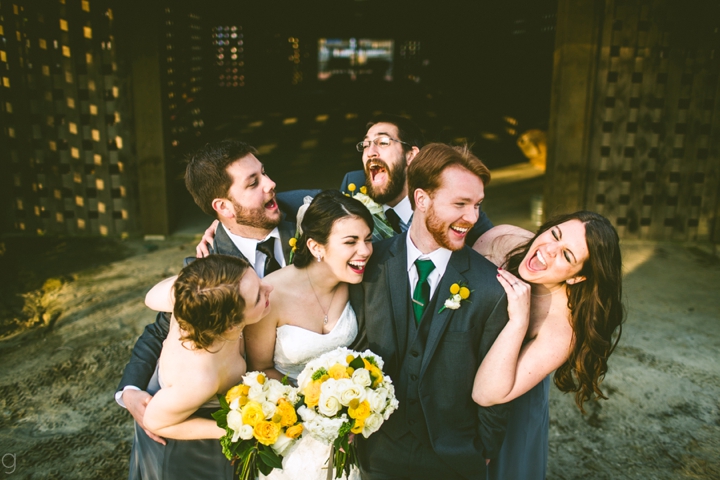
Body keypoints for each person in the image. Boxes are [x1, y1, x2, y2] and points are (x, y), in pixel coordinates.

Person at [116, 139, 294, 445]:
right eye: (253, 183)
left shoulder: (309, 221)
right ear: (223, 206)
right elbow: (160, 330)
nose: (271, 184)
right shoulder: (206, 269)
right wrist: (130, 389)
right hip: (238, 421)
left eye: (264, 173)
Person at [349, 143, 510, 480]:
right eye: (460, 204)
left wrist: (482, 451)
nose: (472, 217)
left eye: (477, 205)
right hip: (376, 454)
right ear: (421, 199)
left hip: (453, 461)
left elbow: (495, 384)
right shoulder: (368, 266)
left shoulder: (491, 288)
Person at [195, 114, 493, 257]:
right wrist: (224, 221)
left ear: (412, 155)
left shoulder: (445, 195)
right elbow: (304, 201)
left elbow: (487, 235)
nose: (370, 150)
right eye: (365, 144)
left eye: (383, 142)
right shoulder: (353, 186)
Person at [472, 211, 624, 480]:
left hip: (509, 391)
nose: (548, 250)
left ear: (577, 277)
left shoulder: (561, 329)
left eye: (567, 256)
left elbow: (486, 394)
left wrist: (519, 321)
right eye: (555, 234)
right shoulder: (502, 239)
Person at [246, 190, 373, 480]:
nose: (365, 250)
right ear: (316, 247)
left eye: (367, 239)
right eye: (351, 242)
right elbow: (259, 369)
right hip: (292, 430)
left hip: (351, 428)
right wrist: (314, 404)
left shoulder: (359, 283)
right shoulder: (272, 294)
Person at [128, 254, 272, 479]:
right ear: (231, 326)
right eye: (257, 297)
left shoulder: (196, 295)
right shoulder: (200, 377)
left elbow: (151, 297)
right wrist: (235, 429)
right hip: (181, 447)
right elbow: (154, 421)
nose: (269, 287)